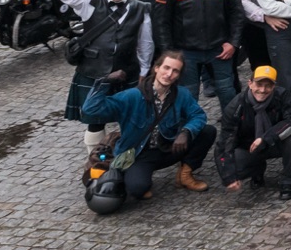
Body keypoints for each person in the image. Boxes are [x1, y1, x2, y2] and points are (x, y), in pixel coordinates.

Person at [81, 51, 214, 200]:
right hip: (140, 154)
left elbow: (198, 115)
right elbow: (90, 109)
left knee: (207, 131)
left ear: (179, 75)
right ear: (156, 68)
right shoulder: (132, 96)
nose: (169, 74)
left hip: (169, 147)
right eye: (166, 68)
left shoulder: (181, 94)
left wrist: (186, 132)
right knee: (137, 189)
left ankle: (185, 174)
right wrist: (106, 80)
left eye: (175, 71)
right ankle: (134, 175)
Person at [56, 0, 154, 154]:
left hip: (127, 70)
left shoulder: (140, 8)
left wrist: (144, 71)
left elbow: (146, 43)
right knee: (94, 121)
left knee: (129, 116)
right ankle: (95, 160)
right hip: (93, 71)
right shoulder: (89, 1)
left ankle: (127, 156)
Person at [152, 0, 246, 108]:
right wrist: (170, 53)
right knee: (187, 94)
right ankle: (187, 130)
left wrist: (233, 42)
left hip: (220, 49)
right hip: (186, 52)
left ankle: (233, 129)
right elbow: (160, 24)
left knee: (227, 90)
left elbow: (237, 12)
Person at [217, 65, 291, 199]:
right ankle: (257, 169)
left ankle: (288, 179)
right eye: (259, 84)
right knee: (235, 168)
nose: (263, 90)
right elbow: (225, 142)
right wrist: (228, 176)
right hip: (248, 147)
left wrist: (266, 138)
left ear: (274, 86)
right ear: (250, 84)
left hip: (275, 142)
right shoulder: (235, 106)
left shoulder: (282, 96)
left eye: (268, 86)